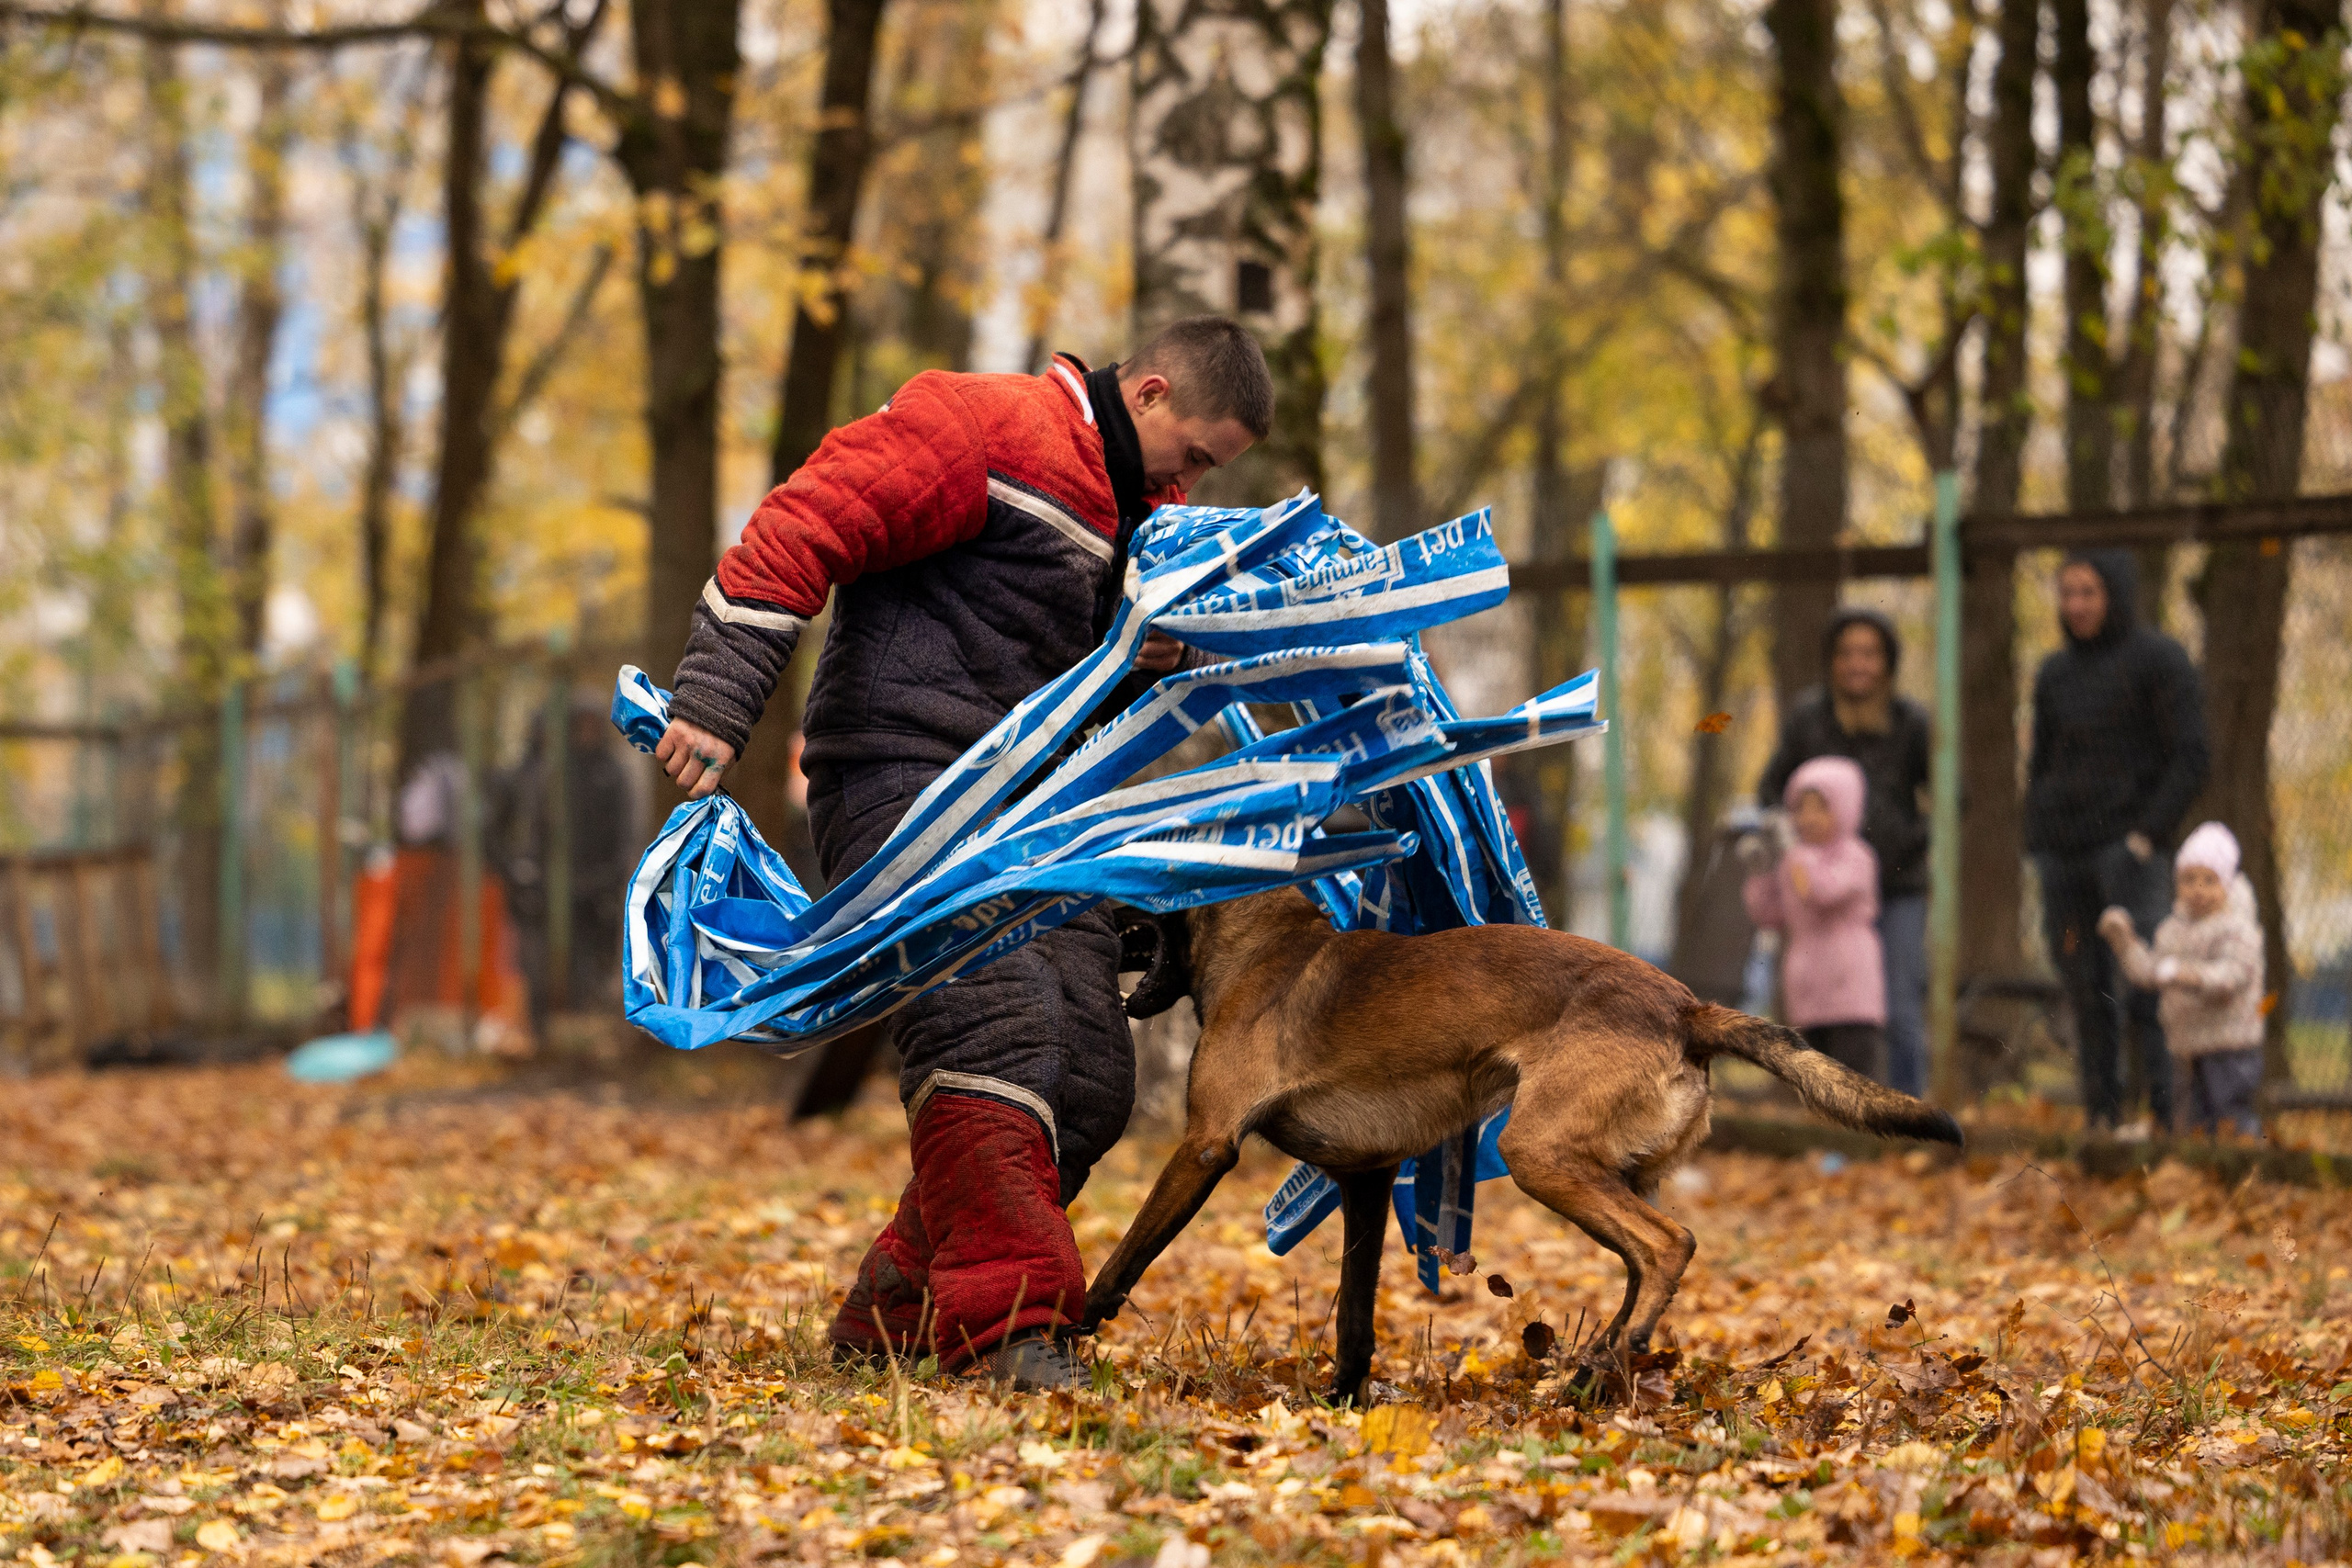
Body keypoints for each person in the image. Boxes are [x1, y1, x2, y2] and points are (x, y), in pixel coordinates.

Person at [650, 317, 1272, 1387]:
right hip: (904, 778)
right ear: (1152, 394)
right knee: (995, 1023)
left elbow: (1068, 669)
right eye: (1198, 454)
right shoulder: (983, 426)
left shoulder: (1147, 521)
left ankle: (894, 1313)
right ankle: (1010, 1331)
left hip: (1036, 810)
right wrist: (714, 695)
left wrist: (1151, 653)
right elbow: (809, 518)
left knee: (1089, 1078)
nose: (1195, 482)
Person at [2025, 549, 2210, 1133]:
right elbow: (2041, 762)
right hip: (2064, 854)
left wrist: (2146, 836)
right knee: (2085, 990)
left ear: (2116, 595)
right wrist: (2039, 836)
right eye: (2067, 593)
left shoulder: (2159, 660)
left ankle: (2168, 1120)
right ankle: (2102, 1119)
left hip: (2131, 852)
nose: (2076, 605)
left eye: (2089, 593)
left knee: (2150, 987)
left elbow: (2192, 756)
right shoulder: (2054, 673)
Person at [1757, 608, 1932, 1091]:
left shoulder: (1911, 723)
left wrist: (1906, 842)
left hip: (1897, 886)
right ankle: (1830, 1113)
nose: (1858, 664)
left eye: (1869, 653)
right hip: (1825, 901)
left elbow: (1948, 795)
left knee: (1900, 1009)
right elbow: (1771, 790)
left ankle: (1908, 1111)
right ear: (1832, 661)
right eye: (1847, 653)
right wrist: (1800, 846)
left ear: (1887, 662)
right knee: (1826, 1011)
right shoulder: (1809, 720)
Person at [2098, 822, 2266, 1138]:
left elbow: (2234, 975)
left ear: (2227, 884)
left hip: (2230, 1046)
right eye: (2189, 880)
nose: (2198, 889)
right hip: (2188, 1046)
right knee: (2191, 1119)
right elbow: (2151, 972)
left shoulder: (2237, 929)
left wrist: (2190, 976)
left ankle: (2242, 1158)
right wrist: (2125, 943)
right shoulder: (2172, 930)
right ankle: (2194, 1161)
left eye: (2209, 880)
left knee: (2230, 1116)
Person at [1742, 756, 1886, 1080]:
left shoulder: (1856, 856)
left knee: (1855, 1079)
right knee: (1817, 1080)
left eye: (1820, 808)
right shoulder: (1795, 860)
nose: (1807, 818)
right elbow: (1770, 915)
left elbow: (1821, 892)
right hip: (1807, 987)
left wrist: (1794, 853)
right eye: (1800, 809)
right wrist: (1760, 872)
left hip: (1850, 988)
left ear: (1845, 807)